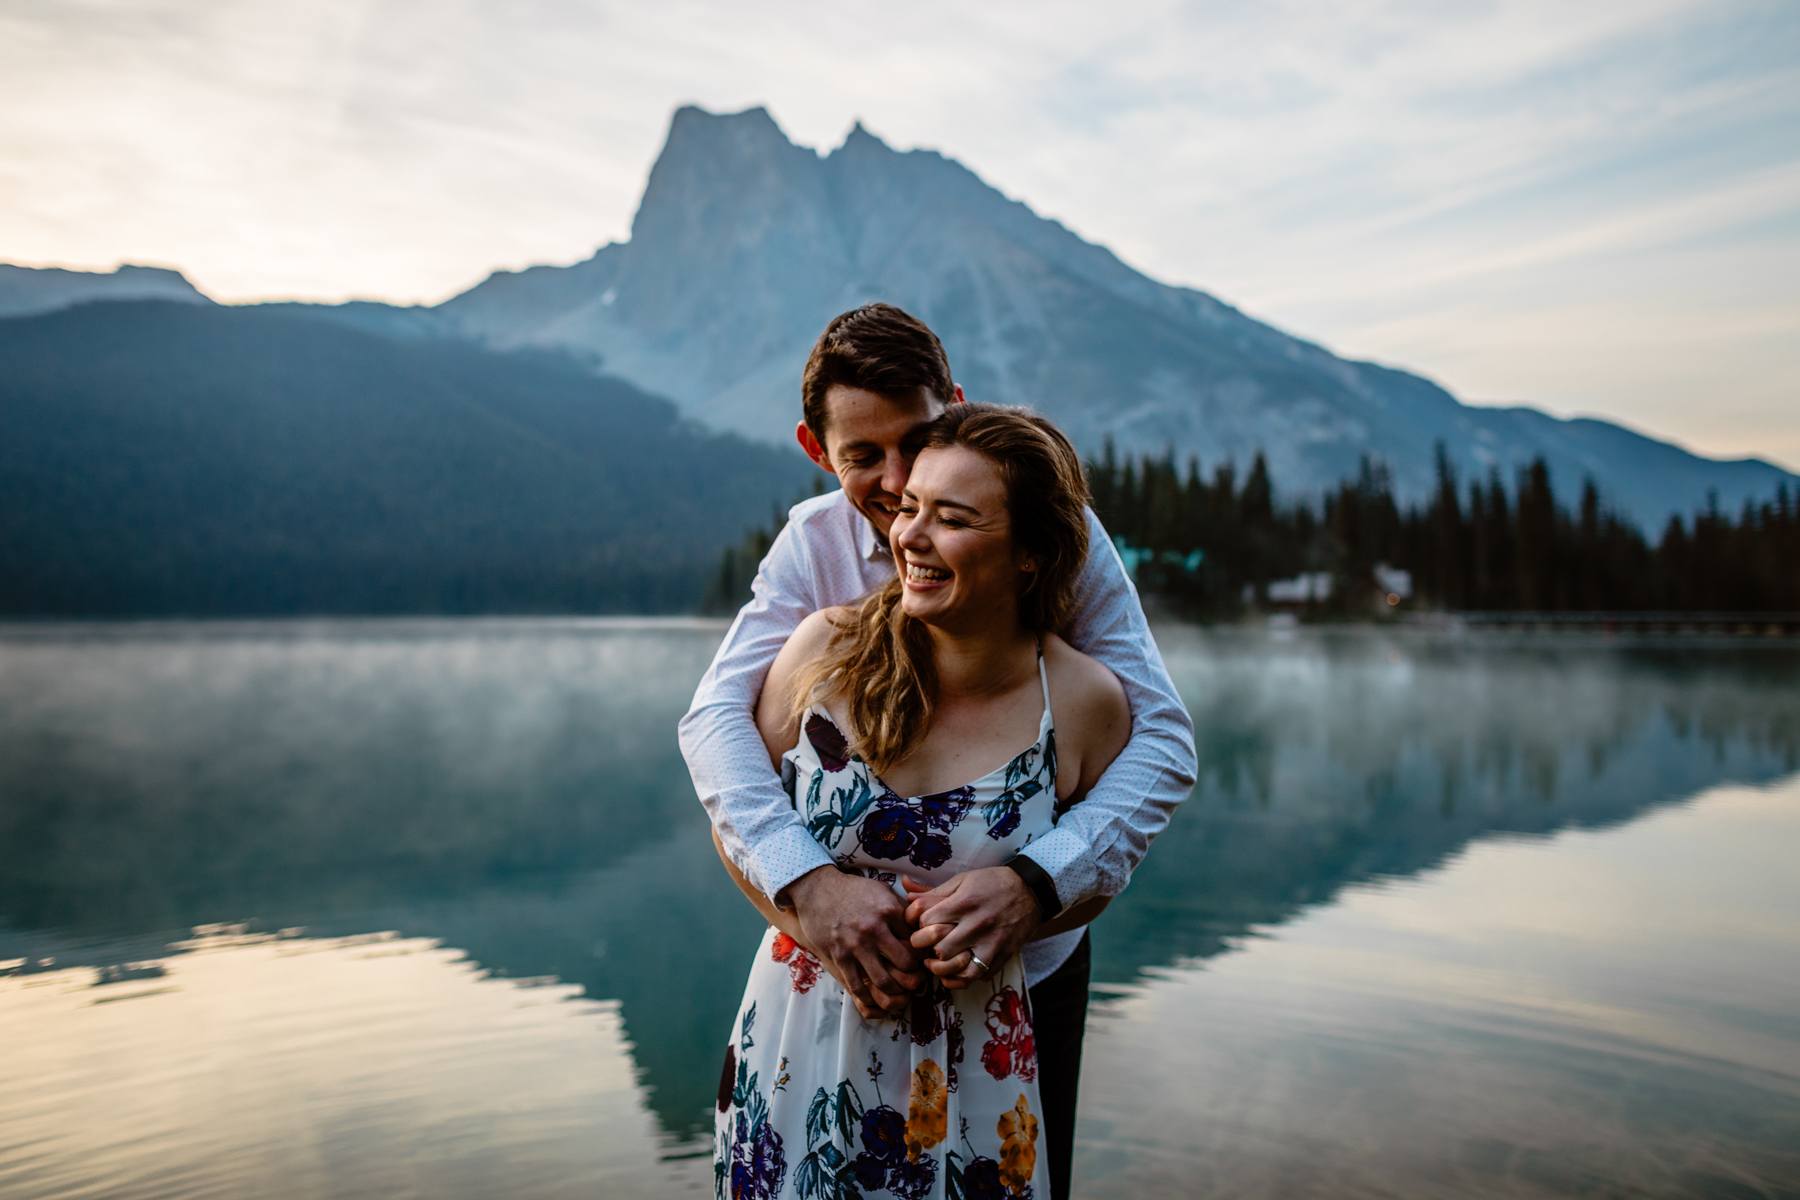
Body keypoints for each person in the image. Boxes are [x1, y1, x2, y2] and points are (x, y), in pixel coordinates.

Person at [682, 304, 1196, 1199]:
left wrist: (1035, 883)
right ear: (817, 449)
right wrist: (808, 886)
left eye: (916, 442)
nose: (895, 487)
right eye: (862, 459)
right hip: (829, 993)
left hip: (1021, 988)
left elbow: (1160, 738)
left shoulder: (1045, 531)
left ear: (953, 406)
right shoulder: (814, 552)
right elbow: (715, 723)